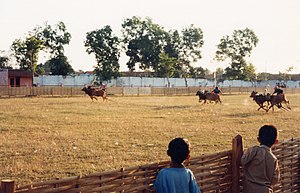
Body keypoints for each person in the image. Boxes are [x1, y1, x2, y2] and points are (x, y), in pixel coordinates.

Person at [241, 125, 280, 193]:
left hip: (250, 189)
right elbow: (275, 179)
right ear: (276, 142)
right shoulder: (273, 158)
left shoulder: (254, 151)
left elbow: (243, 161)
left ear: (258, 139)